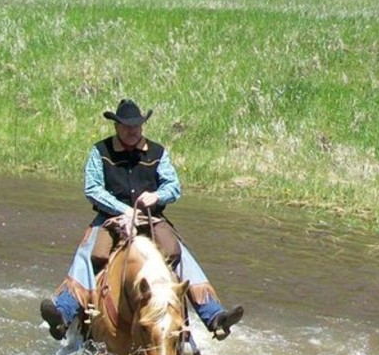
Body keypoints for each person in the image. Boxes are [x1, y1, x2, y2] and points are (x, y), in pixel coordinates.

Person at [40, 99, 243, 342]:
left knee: (178, 253)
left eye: (137, 126)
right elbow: (93, 189)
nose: (133, 131)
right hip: (110, 218)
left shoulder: (157, 152)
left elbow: (173, 187)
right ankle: (63, 313)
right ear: (116, 127)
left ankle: (214, 316)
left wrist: (157, 195)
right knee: (90, 254)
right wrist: (123, 210)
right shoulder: (100, 152)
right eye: (127, 126)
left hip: (151, 218)